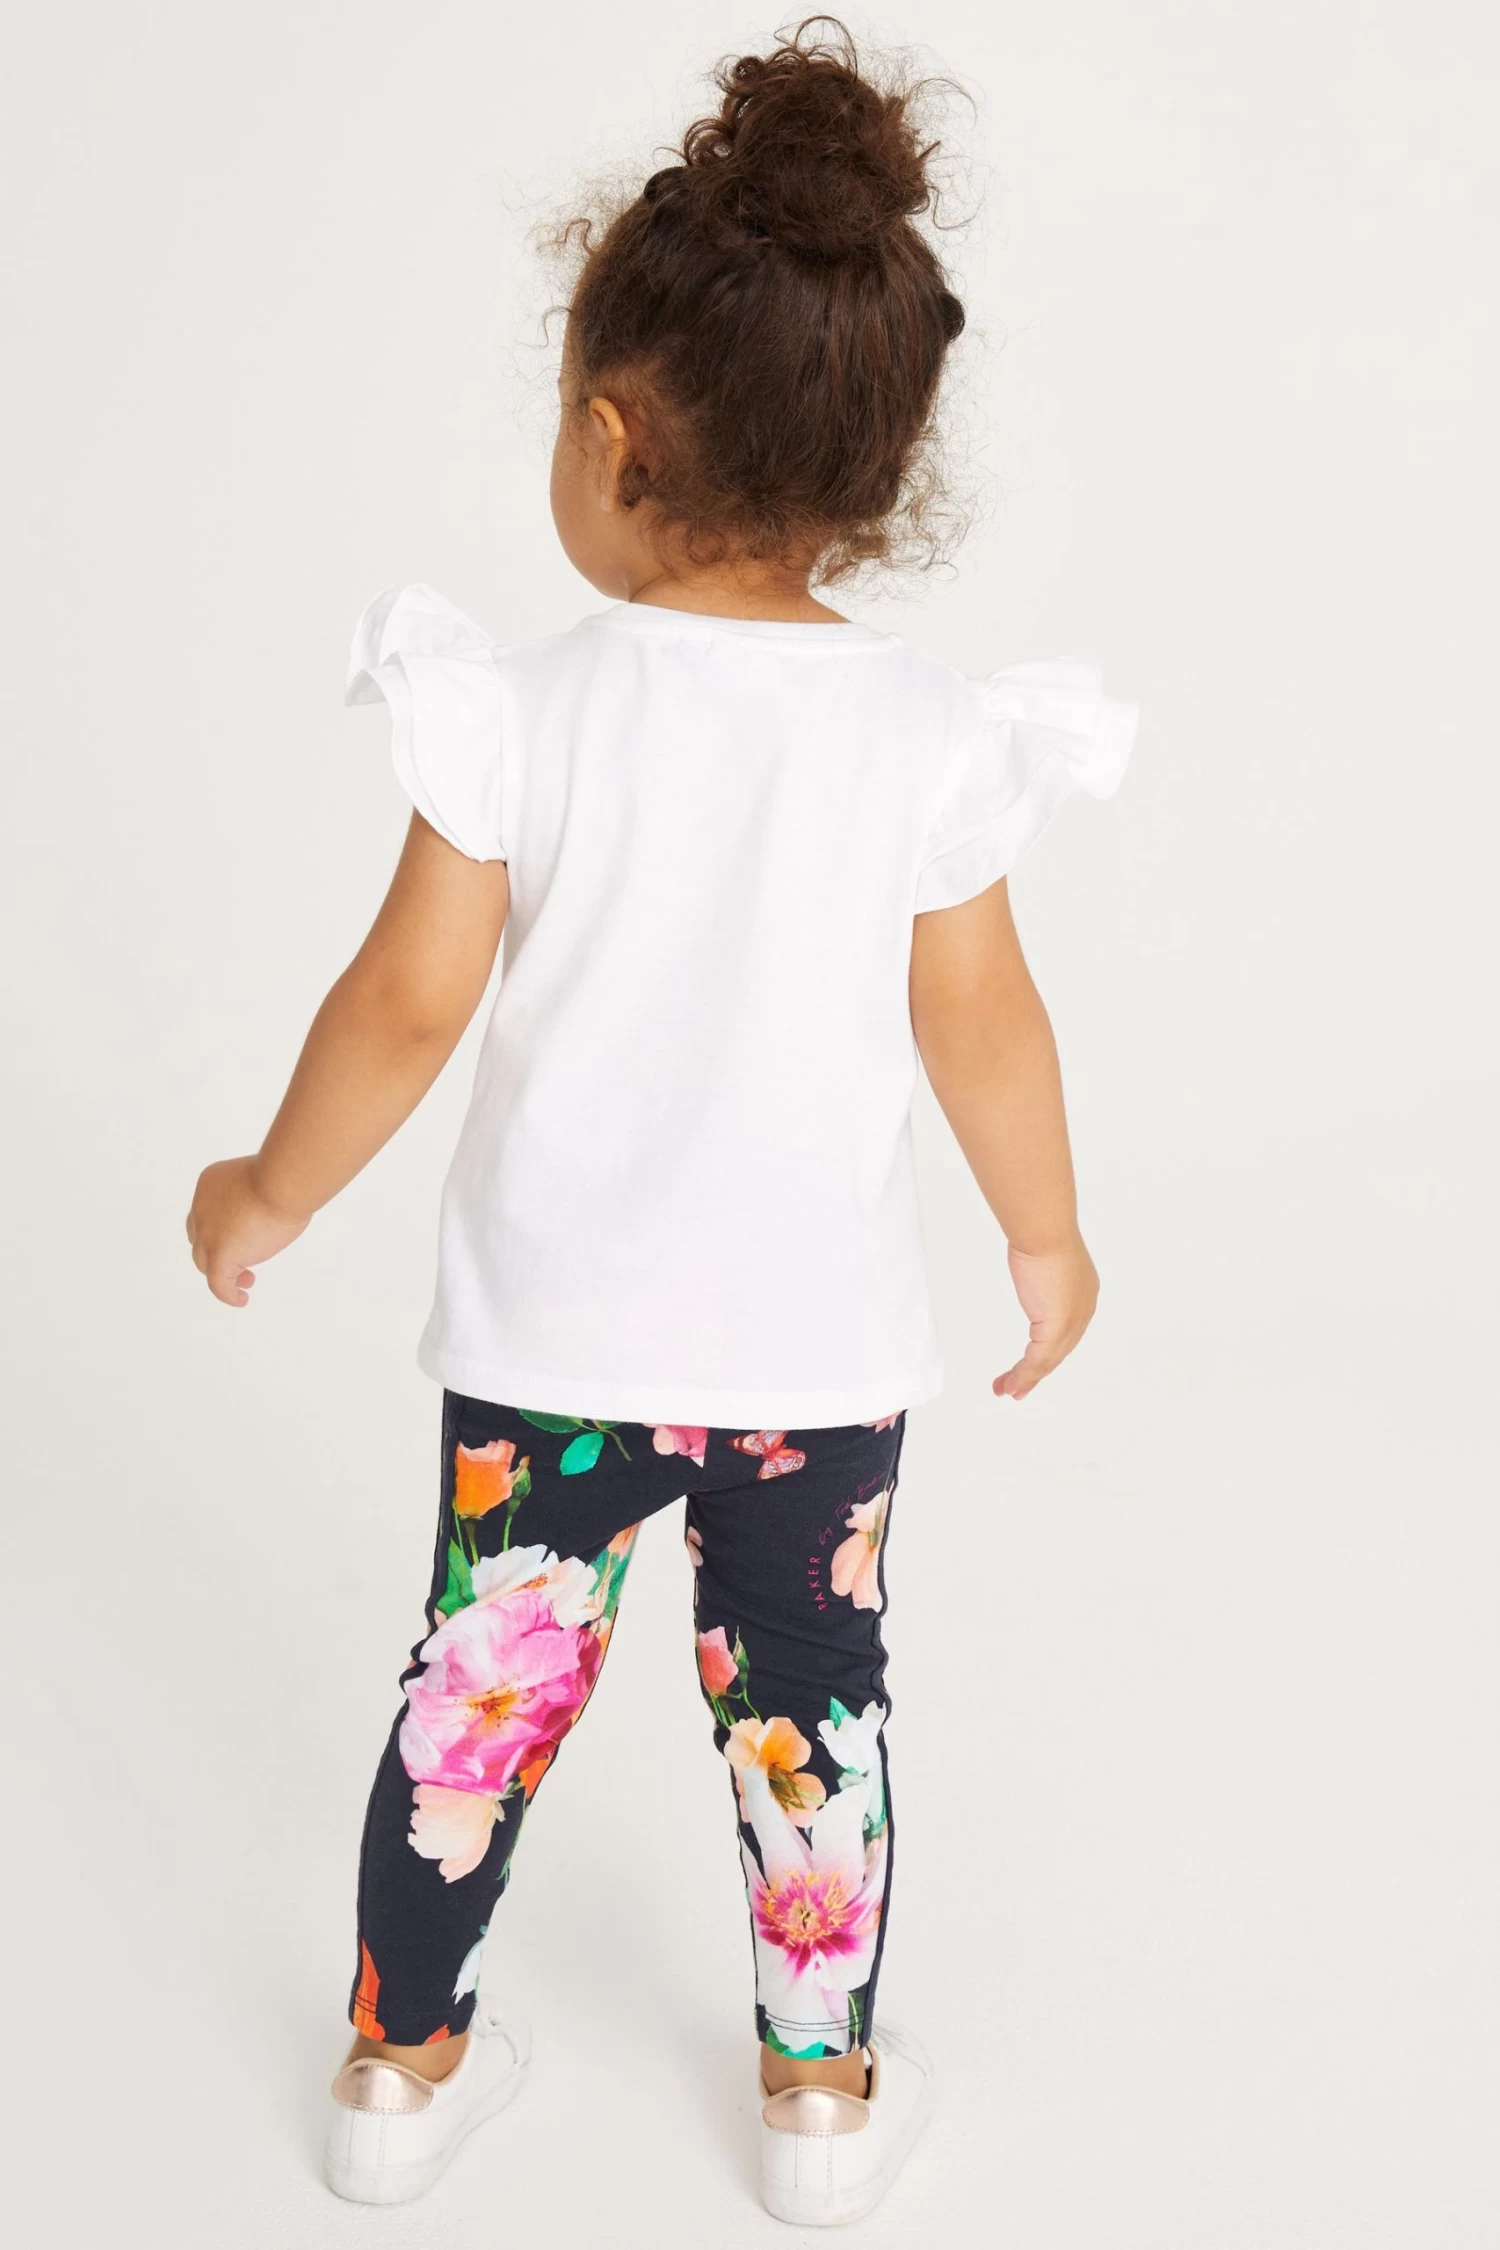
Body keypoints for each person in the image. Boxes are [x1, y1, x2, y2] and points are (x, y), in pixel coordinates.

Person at [186, 17, 1137, 2228]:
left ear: (613, 438)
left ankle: (397, 2071)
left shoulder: (522, 715)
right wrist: (1047, 1232)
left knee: (478, 1693)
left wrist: (267, 1189)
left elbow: (405, 1001)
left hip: (552, 1353)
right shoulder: (923, 737)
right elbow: (987, 1022)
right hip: (815, 1365)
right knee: (813, 1703)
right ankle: (819, 2100)